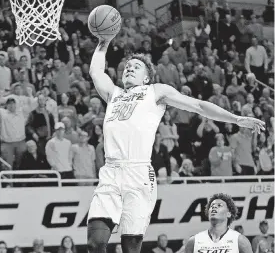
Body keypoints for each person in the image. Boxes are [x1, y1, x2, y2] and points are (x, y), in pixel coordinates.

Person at [87, 36, 265, 253]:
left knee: (130, 248)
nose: (129, 69)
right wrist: (103, 43)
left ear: (146, 78)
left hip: (139, 173)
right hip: (111, 171)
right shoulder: (113, 94)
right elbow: (96, 72)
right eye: (127, 67)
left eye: (137, 66)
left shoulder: (155, 91)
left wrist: (235, 119)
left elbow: (197, 105)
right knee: (95, 244)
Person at [185, 193, 253, 253]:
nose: (214, 207)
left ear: (228, 214)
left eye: (219, 205)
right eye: (212, 206)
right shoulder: (193, 241)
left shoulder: (240, 240)